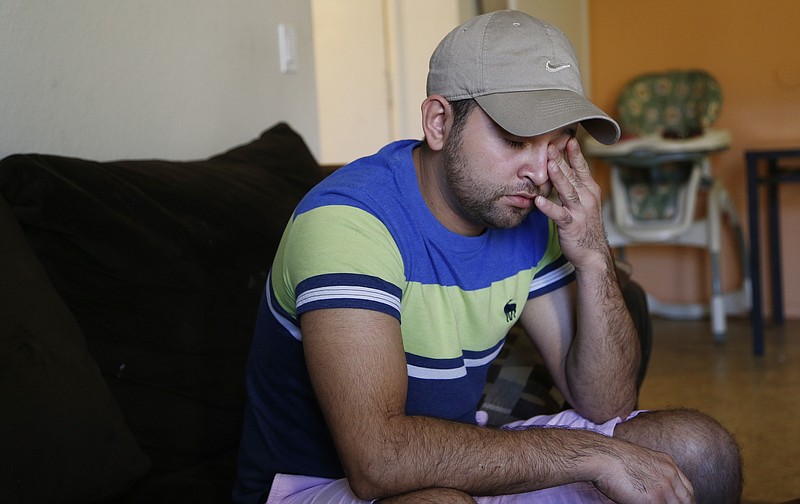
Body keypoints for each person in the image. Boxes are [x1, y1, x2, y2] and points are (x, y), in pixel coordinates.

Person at [233, 10, 742, 504]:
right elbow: (377, 462)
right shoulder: (348, 224)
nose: (540, 172)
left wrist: (593, 255)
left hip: (452, 467)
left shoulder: (524, 212)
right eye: (517, 139)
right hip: (313, 486)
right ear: (439, 122)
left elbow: (606, 403)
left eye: (558, 145)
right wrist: (593, 456)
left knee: (700, 449)